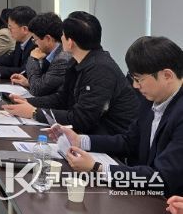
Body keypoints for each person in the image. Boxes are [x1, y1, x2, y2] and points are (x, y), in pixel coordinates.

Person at [50, 36, 183, 196]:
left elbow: (162, 178)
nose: (135, 85)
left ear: (167, 75)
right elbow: (129, 142)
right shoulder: (152, 98)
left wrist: (98, 167)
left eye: (139, 79)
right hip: (144, 194)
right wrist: (80, 140)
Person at [3, 11, 138, 135]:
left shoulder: (100, 69)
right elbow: (62, 98)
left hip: (108, 139)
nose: (60, 38)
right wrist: (27, 102)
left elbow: (81, 119)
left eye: (62, 35)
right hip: (89, 134)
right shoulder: (77, 61)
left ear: (70, 42)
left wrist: (35, 113)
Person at [9, 12, 71, 96]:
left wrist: (33, 59)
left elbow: (37, 90)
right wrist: (29, 82)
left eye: (35, 39)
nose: (35, 43)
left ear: (48, 39)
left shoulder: (62, 59)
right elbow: (44, 84)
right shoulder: (52, 53)